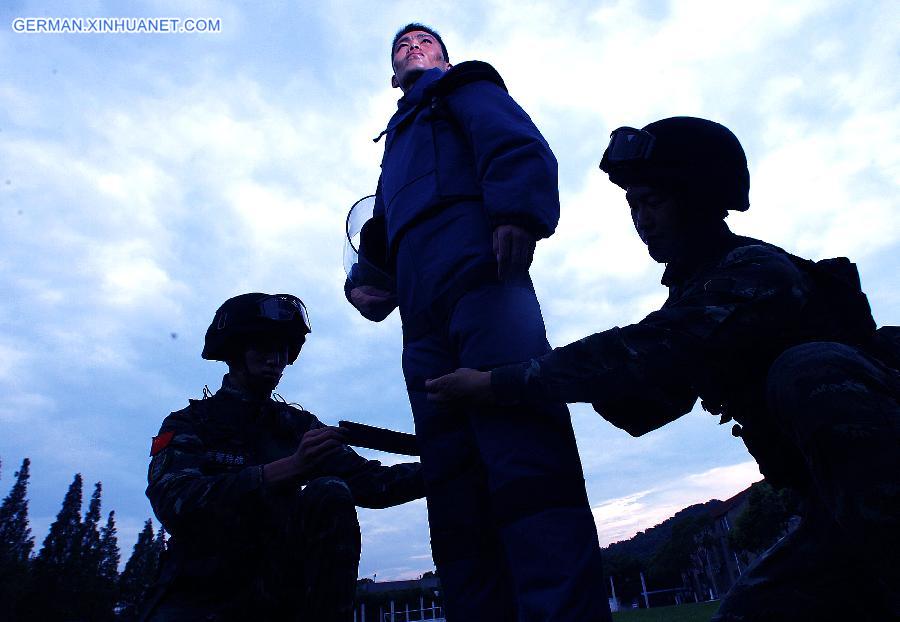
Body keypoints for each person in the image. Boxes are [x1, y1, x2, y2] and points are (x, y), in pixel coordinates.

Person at [426, 117, 900, 620]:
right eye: (633, 205)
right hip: (839, 522)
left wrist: (500, 382)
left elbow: (653, 349)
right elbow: (642, 399)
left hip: (878, 510)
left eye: (652, 202)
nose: (641, 219)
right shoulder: (697, 298)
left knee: (807, 369)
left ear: (696, 202)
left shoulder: (758, 272)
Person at [346, 23, 609, 621]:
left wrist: (517, 210)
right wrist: (368, 282)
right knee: (452, 475)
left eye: (423, 42)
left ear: (443, 57)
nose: (412, 47)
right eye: (401, 47)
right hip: (422, 322)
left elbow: (515, 142)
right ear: (392, 75)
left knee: (522, 444)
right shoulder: (394, 149)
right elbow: (382, 231)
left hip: (481, 282)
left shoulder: (463, 87)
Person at [143, 293, 426, 621]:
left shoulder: (297, 427)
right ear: (235, 351)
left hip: (278, 592)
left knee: (330, 492)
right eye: (263, 347)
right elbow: (177, 503)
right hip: (201, 596)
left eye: (283, 350)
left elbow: (376, 485)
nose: (275, 359)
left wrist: (449, 464)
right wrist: (286, 469)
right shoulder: (188, 424)